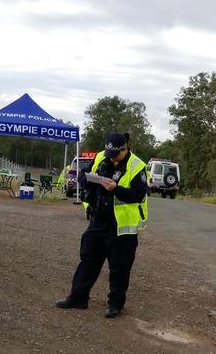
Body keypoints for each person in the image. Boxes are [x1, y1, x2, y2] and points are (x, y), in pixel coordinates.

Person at [56, 132, 148, 318]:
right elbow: (83, 174)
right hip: (98, 221)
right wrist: (87, 180)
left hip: (122, 227)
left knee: (119, 269)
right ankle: (78, 297)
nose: (112, 158)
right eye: (109, 154)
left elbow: (138, 194)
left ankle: (115, 304)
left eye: (116, 155)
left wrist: (116, 189)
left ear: (125, 149)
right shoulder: (100, 156)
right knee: (88, 260)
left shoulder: (138, 166)